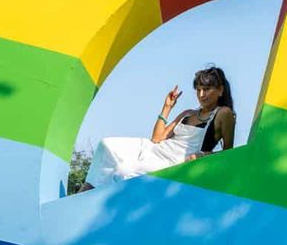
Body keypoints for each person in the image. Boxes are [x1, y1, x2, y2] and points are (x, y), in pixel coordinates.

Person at [82, 66, 235, 190]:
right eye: (198, 89)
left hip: (173, 161)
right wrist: (167, 107)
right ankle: (84, 192)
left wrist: (203, 155)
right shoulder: (188, 113)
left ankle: (95, 199)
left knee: (124, 171)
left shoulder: (223, 113)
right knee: (106, 145)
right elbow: (157, 139)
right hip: (154, 148)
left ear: (220, 90)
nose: (201, 94)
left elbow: (229, 153)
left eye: (206, 89)